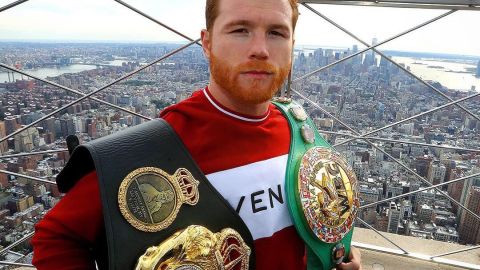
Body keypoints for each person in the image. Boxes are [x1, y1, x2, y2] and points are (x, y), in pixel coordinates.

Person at [31, 0, 361, 269]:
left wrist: (334, 254)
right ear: (207, 42)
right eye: (240, 30)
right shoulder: (155, 148)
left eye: (277, 32)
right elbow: (56, 237)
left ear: (292, 45)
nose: (260, 48)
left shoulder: (298, 128)